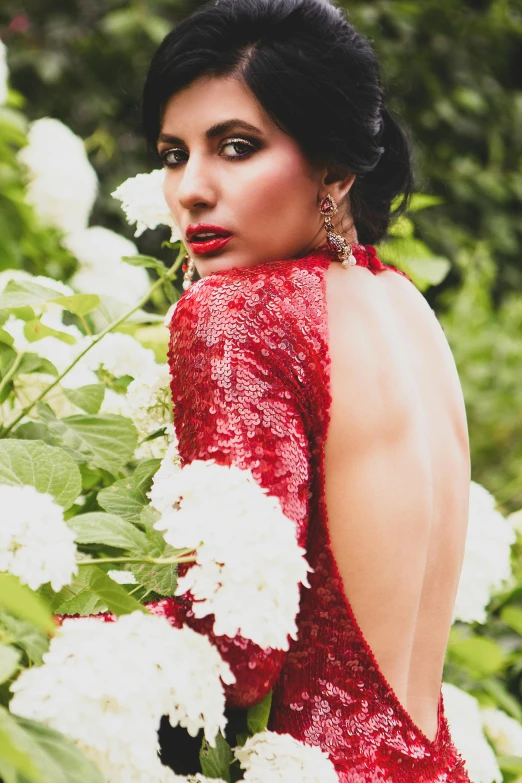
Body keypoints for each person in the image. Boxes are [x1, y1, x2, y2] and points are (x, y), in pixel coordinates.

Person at [140, 0, 473, 780]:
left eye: (235, 147)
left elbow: (239, 645)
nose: (191, 189)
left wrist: (43, 637)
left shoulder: (235, 315)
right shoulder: (406, 308)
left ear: (332, 166)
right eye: (172, 153)